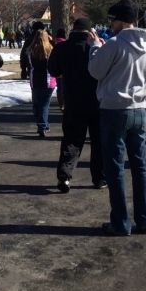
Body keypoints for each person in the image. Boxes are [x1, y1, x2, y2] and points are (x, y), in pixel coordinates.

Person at [88, 0, 146, 236]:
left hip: (114, 109)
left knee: (115, 167)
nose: (110, 24)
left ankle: (121, 222)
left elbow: (95, 71)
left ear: (122, 20)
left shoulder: (115, 44)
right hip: (139, 108)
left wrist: (95, 47)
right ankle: (144, 219)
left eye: (112, 20)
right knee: (140, 166)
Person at [48, 17, 105, 192]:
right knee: (99, 141)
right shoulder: (96, 48)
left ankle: (65, 174)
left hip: (73, 100)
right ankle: (99, 178)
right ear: (90, 32)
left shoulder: (61, 48)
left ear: (73, 29)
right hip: (97, 101)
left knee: (72, 139)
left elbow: (53, 70)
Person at [28, 28, 57, 137]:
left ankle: (44, 123)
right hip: (48, 80)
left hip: (35, 79)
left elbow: (30, 66)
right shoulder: (50, 49)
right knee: (45, 104)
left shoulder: (30, 50)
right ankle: (42, 125)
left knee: (39, 102)